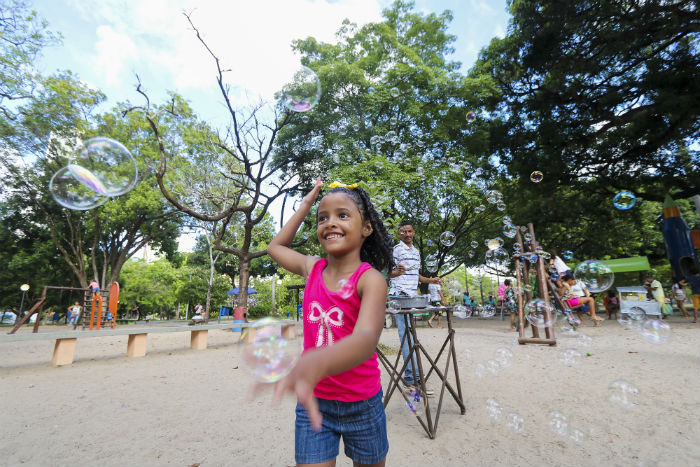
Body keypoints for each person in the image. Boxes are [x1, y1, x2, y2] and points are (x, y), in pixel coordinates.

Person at [266, 178, 392, 466]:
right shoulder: (312, 268)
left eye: (343, 215)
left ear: (367, 228)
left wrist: (315, 362)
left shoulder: (370, 279)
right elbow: (275, 247)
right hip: (314, 403)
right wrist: (306, 205)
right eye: (323, 218)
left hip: (363, 404)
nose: (330, 223)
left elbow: (365, 340)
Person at [387, 220, 441, 391]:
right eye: (403, 232)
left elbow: (417, 276)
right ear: (399, 234)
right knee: (406, 338)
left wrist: (432, 280)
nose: (407, 234)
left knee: (412, 337)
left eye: (409, 231)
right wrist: (396, 272)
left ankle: (414, 376)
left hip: (411, 297)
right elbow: (386, 272)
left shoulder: (416, 252)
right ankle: (412, 378)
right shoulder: (396, 250)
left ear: (414, 232)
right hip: (399, 296)